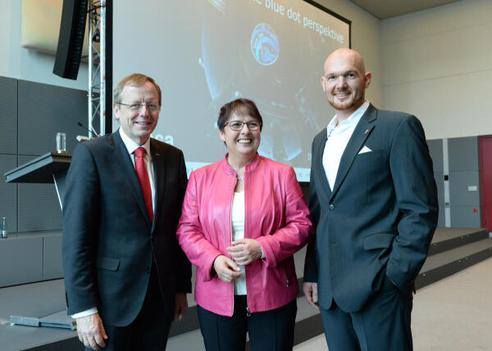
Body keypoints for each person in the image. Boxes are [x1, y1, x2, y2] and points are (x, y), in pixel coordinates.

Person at [303, 48, 438, 351]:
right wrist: (313, 272)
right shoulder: (319, 140)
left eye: (349, 75)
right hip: (331, 288)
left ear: (366, 79)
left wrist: (397, 276)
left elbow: (420, 209)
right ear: (323, 83)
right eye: (333, 77)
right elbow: (320, 213)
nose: (341, 84)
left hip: (379, 283)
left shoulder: (398, 127)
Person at [62, 73, 191, 350]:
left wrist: (181, 286)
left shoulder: (173, 157)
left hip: (160, 298)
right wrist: (84, 309)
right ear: (117, 110)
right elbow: (76, 238)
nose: (144, 113)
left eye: (152, 105)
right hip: (110, 302)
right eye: (135, 105)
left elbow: (177, 228)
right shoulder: (92, 155)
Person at [177, 98, 312, 351]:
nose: (245, 131)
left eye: (253, 124)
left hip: (272, 294)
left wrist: (262, 247)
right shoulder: (200, 178)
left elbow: (302, 225)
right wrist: (214, 260)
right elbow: (187, 230)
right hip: (217, 294)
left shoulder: (282, 174)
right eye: (236, 124)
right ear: (222, 133)